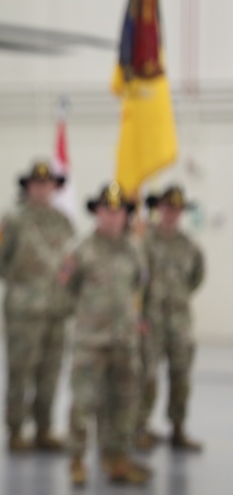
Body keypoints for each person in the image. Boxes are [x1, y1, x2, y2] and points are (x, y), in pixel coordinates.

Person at [60, 182, 151, 487]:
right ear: (96, 212)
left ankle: (117, 460)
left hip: (124, 342)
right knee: (83, 403)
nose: (112, 217)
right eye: (106, 211)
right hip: (91, 343)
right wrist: (90, 321)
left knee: (124, 403)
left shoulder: (135, 249)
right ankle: (76, 461)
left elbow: (139, 285)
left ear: (126, 215)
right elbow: (66, 290)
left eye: (119, 211)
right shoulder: (80, 250)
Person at [0, 160, 75, 452]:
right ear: (28, 187)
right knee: (20, 372)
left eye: (48, 183)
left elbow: (71, 264)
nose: (42, 188)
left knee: (50, 371)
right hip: (24, 312)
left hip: (57, 310)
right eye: (37, 184)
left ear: (54, 187)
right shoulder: (12, 219)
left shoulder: (63, 221)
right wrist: (21, 285)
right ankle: (15, 430)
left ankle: (44, 428)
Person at [135, 185, 205, 451]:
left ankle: (178, 428)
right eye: (167, 207)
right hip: (150, 322)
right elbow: (133, 280)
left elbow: (196, 278)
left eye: (177, 209)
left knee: (181, 377)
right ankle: (139, 427)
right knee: (146, 377)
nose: (171, 213)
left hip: (179, 323)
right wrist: (139, 315)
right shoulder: (144, 242)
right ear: (158, 209)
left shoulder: (190, 246)